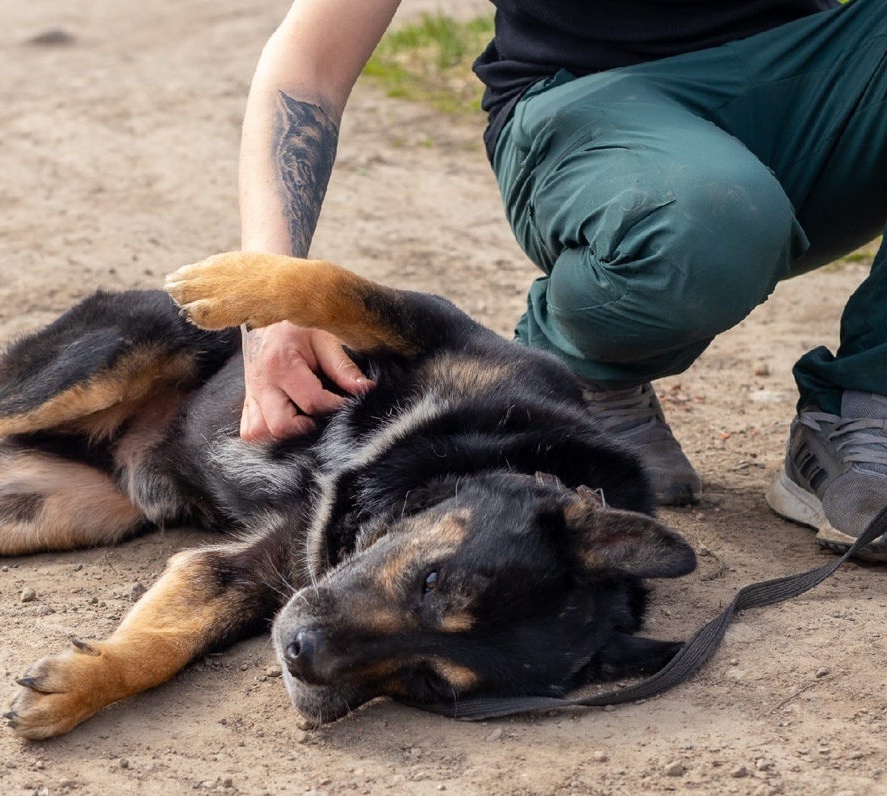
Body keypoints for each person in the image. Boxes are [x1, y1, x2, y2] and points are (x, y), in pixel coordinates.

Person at [233, 0, 887, 559]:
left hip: (815, 80)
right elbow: (308, 67)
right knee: (710, 221)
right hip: (590, 104)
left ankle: (866, 402)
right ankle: (577, 371)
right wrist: (270, 306)